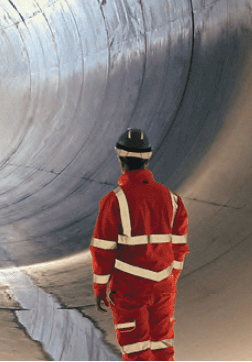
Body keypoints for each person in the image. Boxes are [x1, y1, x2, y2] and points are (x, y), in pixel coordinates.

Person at [90, 128, 188, 361]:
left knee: (137, 352)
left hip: (130, 289)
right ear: (147, 158)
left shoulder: (114, 200)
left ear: (120, 159)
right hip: (163, 287)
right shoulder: (172, 200)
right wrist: (169, 280)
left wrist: (100, 289)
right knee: (163, 350)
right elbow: (179, 248)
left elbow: (103, 250)